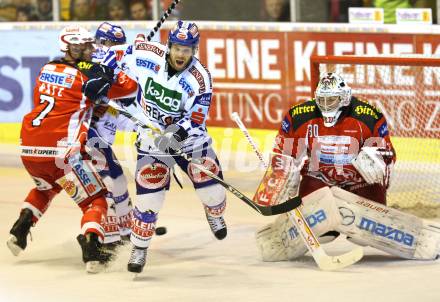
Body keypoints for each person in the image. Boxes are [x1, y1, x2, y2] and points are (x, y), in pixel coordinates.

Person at [102, 20, 227, 273]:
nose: (182, 54)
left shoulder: (200, 79)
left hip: (191, 141)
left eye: (188, 49)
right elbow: (112, 54)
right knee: (149, 199)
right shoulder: (147, 53)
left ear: (195, 50)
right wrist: (103, 73)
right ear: (169, 46)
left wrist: (175, 135)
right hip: (151, 139)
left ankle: (214, 212)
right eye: (178, 48)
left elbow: (196, 119)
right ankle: (139, 248)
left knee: (212, 193)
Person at [6, 25, 128, 273]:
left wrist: (95, 104)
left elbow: (68, 105)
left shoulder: (46, 69)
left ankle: (22, 226)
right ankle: (92, 248)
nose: (88, 49)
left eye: (88, 45)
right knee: (96, 199)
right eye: (81, 46)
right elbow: (128, 89)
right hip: (62, 155)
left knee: (47, 187)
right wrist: (109, 74)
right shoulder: (87, 77)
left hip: (30, 148)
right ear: (70, 48)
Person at [89, 22, 136, 248]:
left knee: (118, 181)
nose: (113, 48)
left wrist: (143, 128)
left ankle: (126, 229)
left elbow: (123, 114)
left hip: (100, 140)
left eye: (118, 44)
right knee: (108, 183)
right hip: (85, 137)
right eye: (110, 43)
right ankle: (107, 238)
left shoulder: (116, 73)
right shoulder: (91, 67)